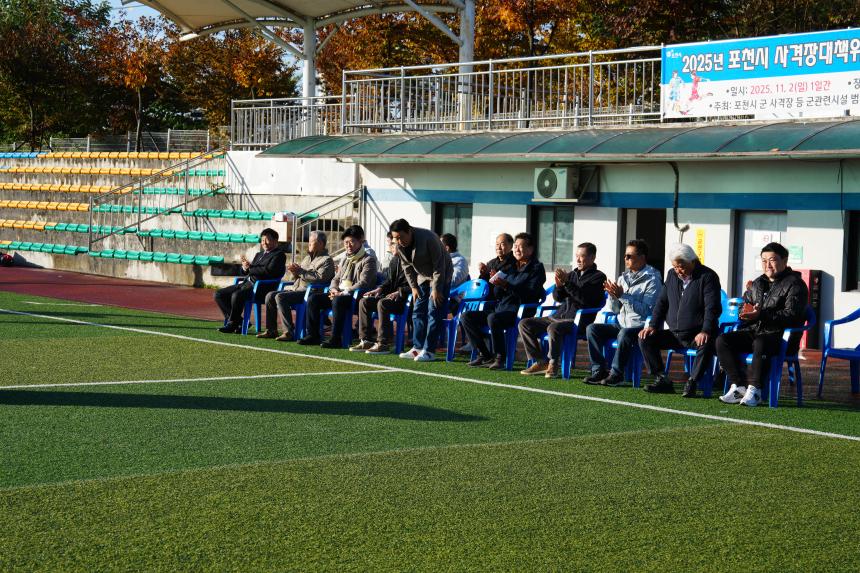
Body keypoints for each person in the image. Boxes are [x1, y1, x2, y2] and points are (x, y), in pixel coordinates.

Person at [715, 242, 809, 407]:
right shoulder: (758, 283)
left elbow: (791, 315)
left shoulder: (796, 284)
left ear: (785, 260)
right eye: (764, 260)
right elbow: (746, 306)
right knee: (723, 340)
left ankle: (756, 390)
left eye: (772, 260)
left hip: (781, 336)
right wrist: (744, 314)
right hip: (756, 330)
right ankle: (738, 386)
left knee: (761, 342)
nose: (767, 265)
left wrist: (761, 314)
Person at [638, 244, 722, 397]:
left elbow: (712, 308)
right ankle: (662, 378)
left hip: (696, 333)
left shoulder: (708, 277)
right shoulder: (671, 275)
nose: (678, 271)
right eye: (675, 267)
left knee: (706, 343)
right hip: (675, 333)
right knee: (645, 338)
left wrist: (705, 330)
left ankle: (693, 381)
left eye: (681, 267)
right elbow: (661, 303)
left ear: (693, 261)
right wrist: (653, 326)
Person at [518, 242, 606, 378]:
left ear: (592, 258)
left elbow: (585, 300)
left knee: (554, 327)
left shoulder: (598, 277)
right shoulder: (571, 274)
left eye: (582, 256)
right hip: (558, 316)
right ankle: (541, 361)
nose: (577, 259)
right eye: (576, 256)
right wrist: (559, 286)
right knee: (525, 323)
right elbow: (558, 298)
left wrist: (566, 283)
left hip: (577, 321)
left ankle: (553, 363)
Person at [461, 232, 546, 370]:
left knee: (493, 318)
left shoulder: (536, 268)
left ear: (530, 250)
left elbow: (529, 294)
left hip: (519, 310)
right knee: (466, 317)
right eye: (516, 246)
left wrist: (505, 285)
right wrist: (494, 281)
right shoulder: (513, 266)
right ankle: (485, 354)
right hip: (502, 307)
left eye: (520, 247)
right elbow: (498, 293)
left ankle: (500, 358)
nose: (516, 250)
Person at [584, 239, 661, 386]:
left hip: (641, 326)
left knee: (624, 333)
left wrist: (623, 296)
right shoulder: (623, 278)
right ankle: (599, 370)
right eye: (625, 256)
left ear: (642, 257)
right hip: (622, 323)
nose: (625, 259)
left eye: (629, 256)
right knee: (592, 329)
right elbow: (614, 310)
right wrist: (613, 298)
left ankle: (616, 374)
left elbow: (647, 311)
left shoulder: (652, 280)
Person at [298, 225, 378, 348]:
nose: (348, 245)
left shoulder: (368, 260)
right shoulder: (346, 259)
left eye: (352, 242)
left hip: (356, 297)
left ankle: (336, 338)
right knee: (314, 299)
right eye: (346, 242)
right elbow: (336, 278)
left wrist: (344, 292)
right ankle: (313, 335)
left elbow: (363, 283)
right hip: (339, 294)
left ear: (360, 242)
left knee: (337, 300)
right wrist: (334, 289)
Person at [389, 219, 453, 362]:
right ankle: (417, 348)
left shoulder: (429, 238)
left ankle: (429, 351)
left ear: (409, 231)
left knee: (433, 310)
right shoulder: (399, 245)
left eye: (400, 237)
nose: (398, 241)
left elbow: (439, 266)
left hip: (441, 274)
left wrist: (436, 289)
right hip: (422, 277)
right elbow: (407, 267)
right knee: (417, 310)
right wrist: (413, 287)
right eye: (395, 238)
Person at [256, 230, 334, 341]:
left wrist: (300, 271)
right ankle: (271, 330)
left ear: (321, 244)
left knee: (280, 297)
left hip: (310, 292)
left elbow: (320, 279)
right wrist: (294, 272)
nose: (309, 244)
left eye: (312, 242)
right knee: (270, 295)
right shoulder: (307, 258)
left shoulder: (327, 260)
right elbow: (297, 277)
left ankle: (288, 332)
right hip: (296, 289)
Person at [214, 228, 286, 333]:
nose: (264, 243)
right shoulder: (259, 254)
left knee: (237, 295)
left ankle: (233, 324)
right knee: (218, 294)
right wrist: (244, 268)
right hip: (247, 284)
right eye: (262, 240)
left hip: (262, 288)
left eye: (267, 240)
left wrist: (250, 268)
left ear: (275, 241)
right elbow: (247, 272)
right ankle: (240, 322)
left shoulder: (279, 255)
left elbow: (268, 271)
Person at [350, 233, 411, 354]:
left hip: (403, 300)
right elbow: (389, 282)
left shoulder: (411, 262)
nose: (390, 247)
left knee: (383, 303)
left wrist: (398, 292)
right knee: (364, 301)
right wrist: (379, 289)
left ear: (401, 246)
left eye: (393, 245)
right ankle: (366, 340)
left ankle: (383, 342)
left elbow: (415, 285)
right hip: (390, 298)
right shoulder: (394, 261)